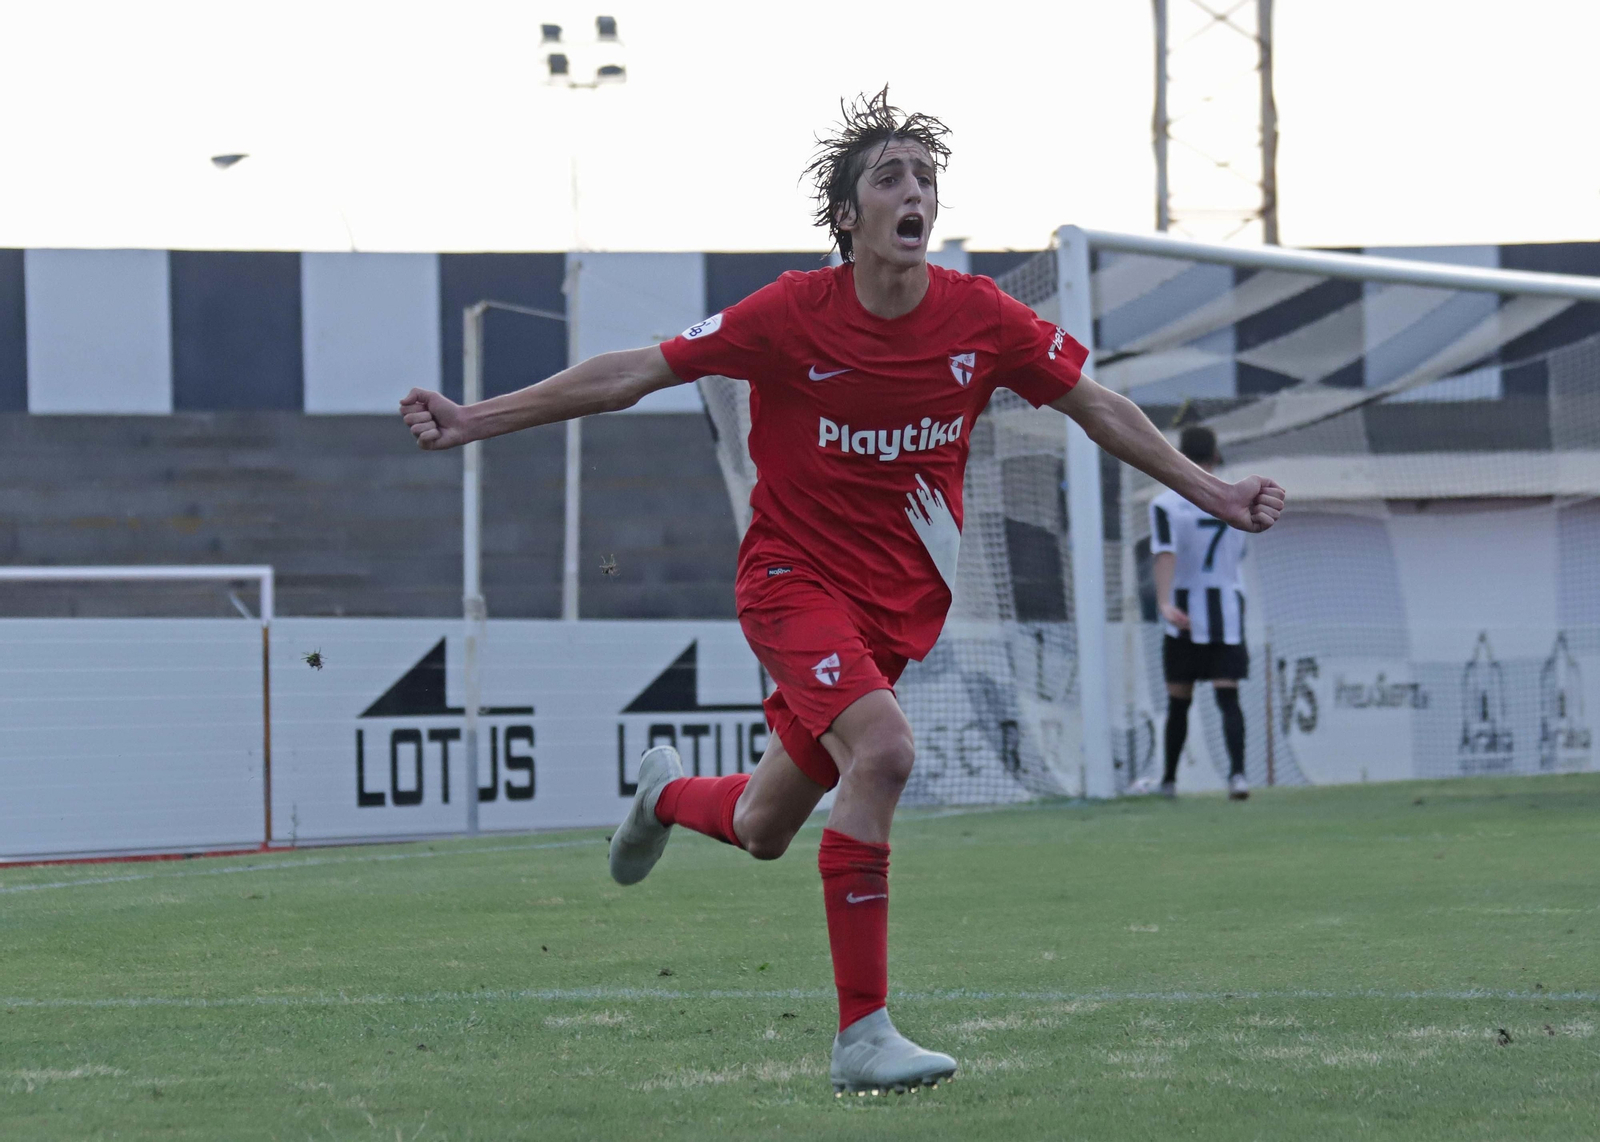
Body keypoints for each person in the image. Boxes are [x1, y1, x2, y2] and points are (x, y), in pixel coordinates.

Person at [399, 89, 1286, 1095]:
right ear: (849, 217)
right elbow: (635, 372)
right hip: (790, 584)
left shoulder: (981, 318)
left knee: (763, 826)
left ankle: (662, 794)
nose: (915, 193)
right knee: (887, 749)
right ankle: (862, 1035)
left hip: (893, 611)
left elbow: (1095, 403)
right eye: (890, 178)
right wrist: (475, 418)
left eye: (926, 179)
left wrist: (1213, 492)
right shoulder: (789, 313)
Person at [1150, 425, 1252, 801]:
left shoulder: (1165, 504)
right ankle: (1238, 777)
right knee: (1228, 698)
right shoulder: (1237, 499)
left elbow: (1165, 552)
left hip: (1183, 613)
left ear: (1179, 454)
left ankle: (1169, 781)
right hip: (1226, 610)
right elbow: (1239, 554)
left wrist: (1164, 602)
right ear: (1215, 455)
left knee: (1179, 701)